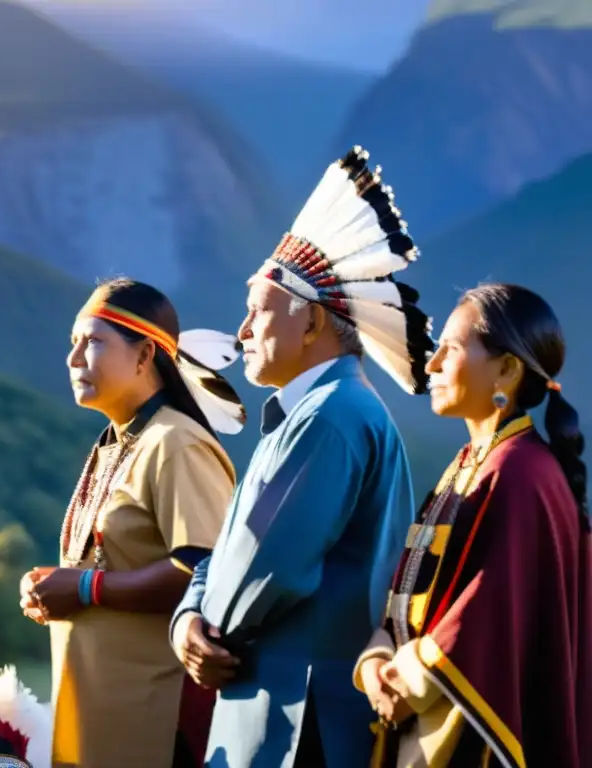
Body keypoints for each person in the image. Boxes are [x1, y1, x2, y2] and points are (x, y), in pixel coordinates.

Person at [170, 146, 435, 767]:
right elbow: (232, 550)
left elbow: (270, 565)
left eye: (256, 312)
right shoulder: (314, 413)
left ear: (312, 323)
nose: (240, 332)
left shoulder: (333, 416)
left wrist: (205, 628)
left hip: (296, 716)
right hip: (273, 703)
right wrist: (188, 618)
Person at [353, 283, 591, 767]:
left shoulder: (521, 472)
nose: (433, 362)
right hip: (425, 711)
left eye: (453, 348)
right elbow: (413, 593)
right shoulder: (473, 462)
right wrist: (377, 660)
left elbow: (484, 618)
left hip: (468, 732)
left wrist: (402, 681)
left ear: (506, 368)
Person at [19, 278, 247, 768]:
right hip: (101, 719)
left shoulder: (177, 444)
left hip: (157, 722)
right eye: (73, 343)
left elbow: (205, 571)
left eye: (93, 342)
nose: (74, 358)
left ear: (145, 356)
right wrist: (52, 586)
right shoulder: (117, 443)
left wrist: (84, 589)